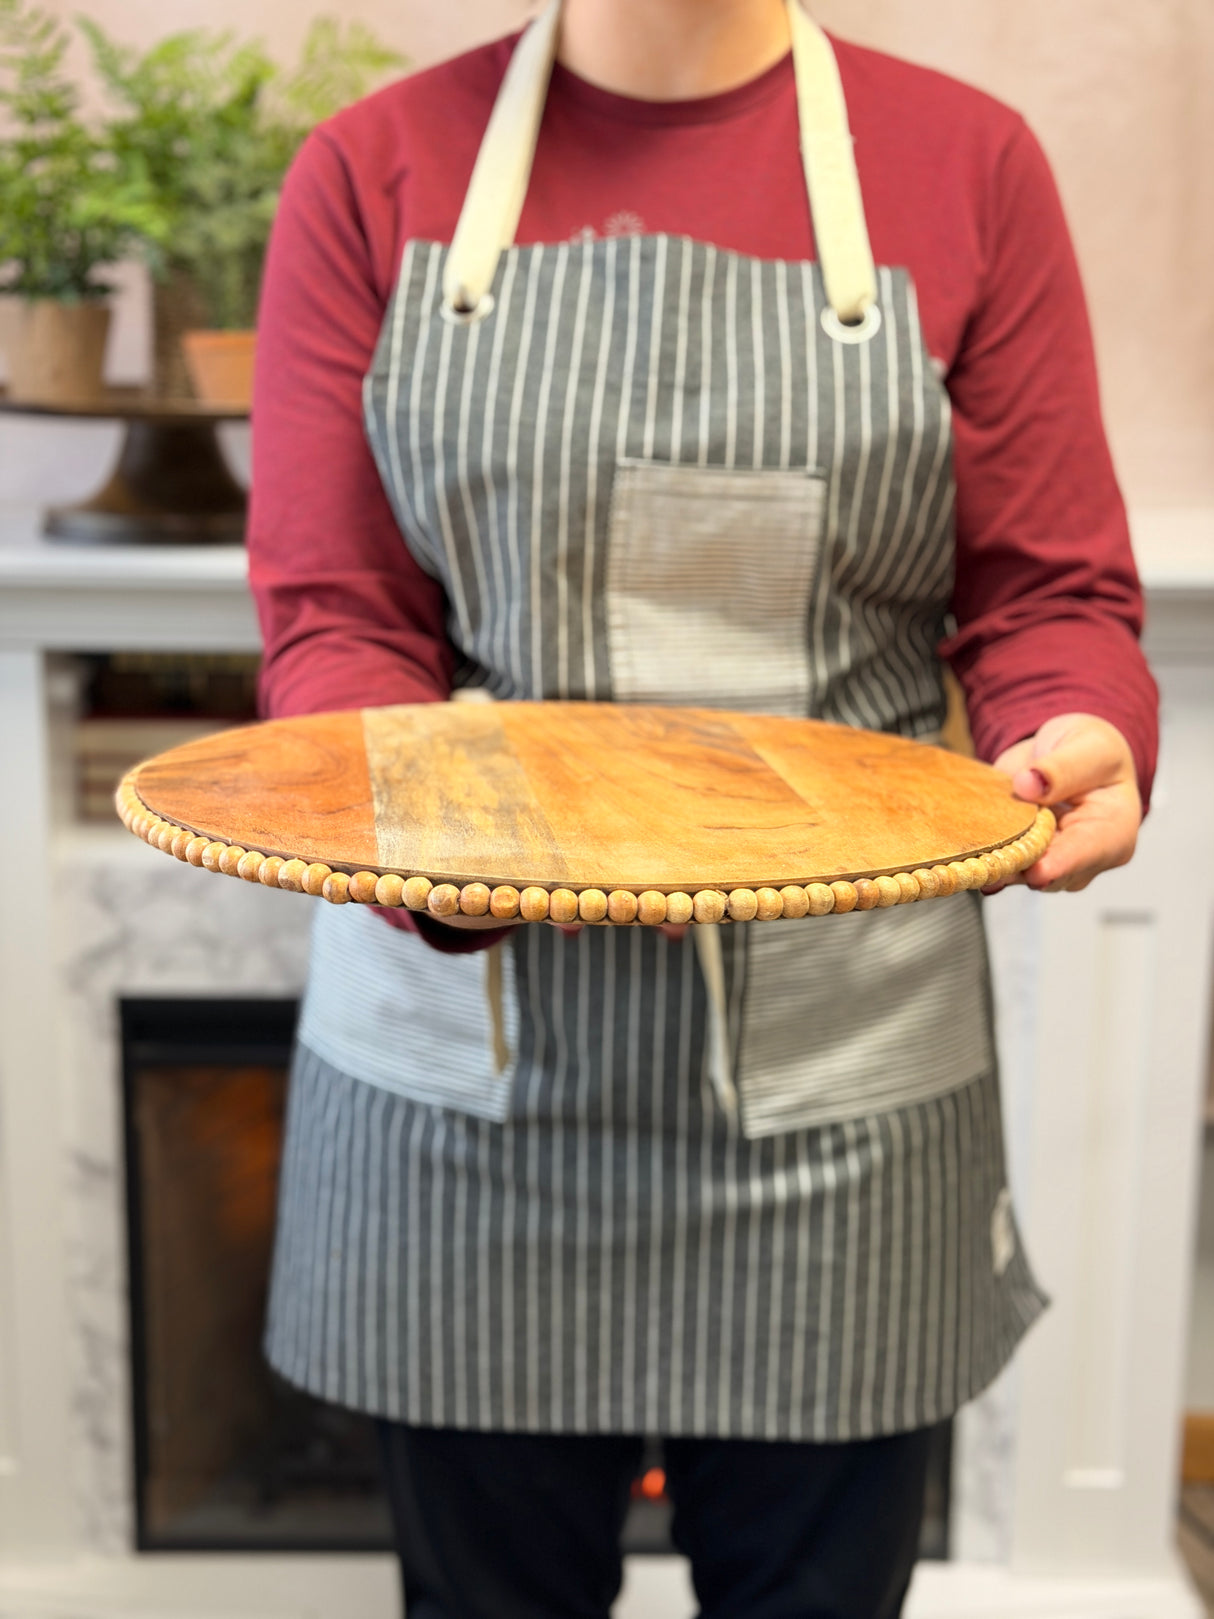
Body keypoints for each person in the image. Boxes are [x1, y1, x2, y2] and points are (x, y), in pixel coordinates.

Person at [247, 0, 1157, 1613]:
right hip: (464, 1089)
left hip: (841, 1085)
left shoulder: (967, 165)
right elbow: (338, 614)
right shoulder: (369, 169)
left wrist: (1073, 724)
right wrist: (415, 841)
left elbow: (1044, 592)